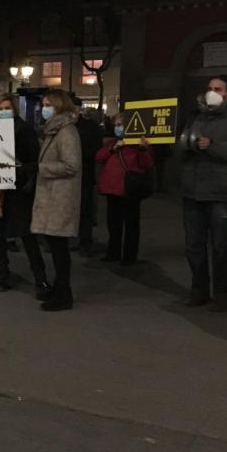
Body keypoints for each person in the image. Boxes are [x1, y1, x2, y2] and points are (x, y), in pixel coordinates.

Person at [177, 75, 227, 311]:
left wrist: (212, 145)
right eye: (209, 88)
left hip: (222, 194)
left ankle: (222, 294)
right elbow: (179, 152)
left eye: (218, 89)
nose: (212, 92)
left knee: (221, 246)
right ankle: (198, 290)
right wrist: (185, 145)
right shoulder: (195, 117)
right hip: (193, 191)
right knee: (194, 245)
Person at [0, 94, 48, 294]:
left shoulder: (24, 130)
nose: (4, 112)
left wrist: (20, 168)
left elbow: (35, 163)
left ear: (14, 109)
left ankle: (41, 280)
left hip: (19, 191)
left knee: (27, 235)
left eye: (7, 108)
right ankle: (2, 277)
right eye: (0, 109)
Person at [30, 89, 82, 311]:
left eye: (48, 104)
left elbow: (71, 165)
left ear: (59, 106)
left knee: (60, 250)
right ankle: (59, 290)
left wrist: (41, 168)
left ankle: (64, 295)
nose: (44, 108)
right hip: (52, 196)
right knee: (55, 247)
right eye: (43, 104)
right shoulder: (54, 130)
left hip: (60, 197)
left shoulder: (66, 132)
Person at [95, 112, 154, 266]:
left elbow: (146, 164)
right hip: (112, 190)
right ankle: (113, 252)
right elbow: (99, 157)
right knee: (113, 224)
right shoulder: (113, 143)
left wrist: (142, 150)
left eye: (120, 125)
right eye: (116, 125)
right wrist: (113, 148)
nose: (117, 128)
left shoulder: (137, 145)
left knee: (131, 224)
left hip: (130, 190)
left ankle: (129, 256)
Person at [73, 97, 104, 256]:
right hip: (69, 176)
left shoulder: (90, 127)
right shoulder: (64, 126)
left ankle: (85, 241)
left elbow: (96, 151)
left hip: (84, 173)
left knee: (85, 208)